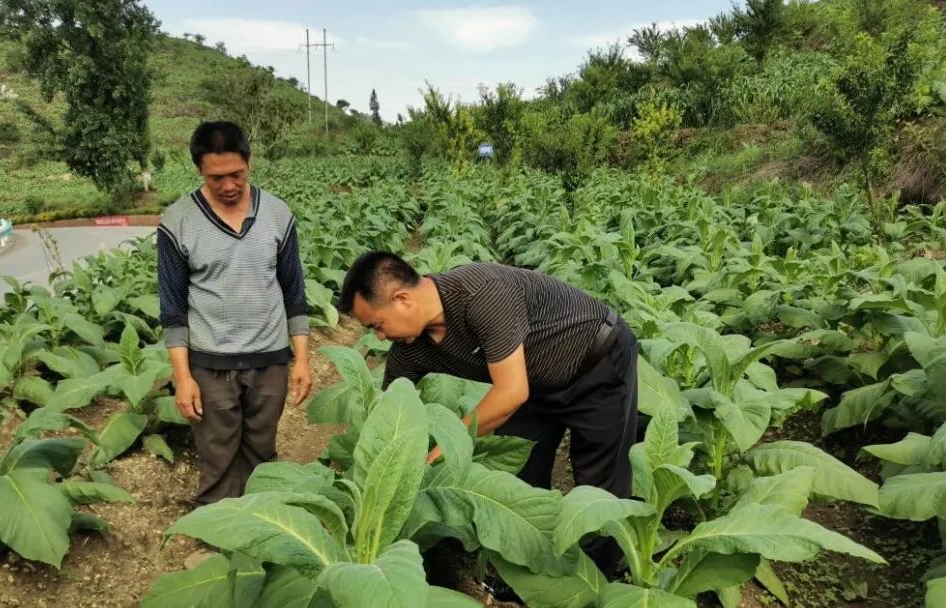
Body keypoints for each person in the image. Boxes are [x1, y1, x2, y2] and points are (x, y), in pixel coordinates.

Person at [338, 252, 639, 499]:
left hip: (596, 363)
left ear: (402, 299)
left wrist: (442, 450)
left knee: (599, 489)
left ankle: (597, 571)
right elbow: (390, 412)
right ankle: (529, 563)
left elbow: (511, 392)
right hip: (535, 382)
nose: (378, 338)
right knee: (518, 476)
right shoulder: (410, 349)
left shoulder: (481, 292)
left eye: (378, 325)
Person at [157, 120, 313, 505]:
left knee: (262, 452)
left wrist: (303, 360)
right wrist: (182, 377)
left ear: (249, 162)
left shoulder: (277, 214)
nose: (228, 186)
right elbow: (172, 308)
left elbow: (294, 290)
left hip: (270, 359)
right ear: (199, 171)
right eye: (216, 178)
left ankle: (263, 531)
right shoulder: (177, 221)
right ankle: (217, 541)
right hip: (211, 364)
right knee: (217, 455)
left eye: (236, 175)